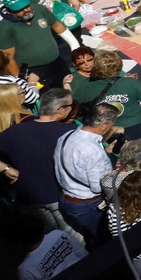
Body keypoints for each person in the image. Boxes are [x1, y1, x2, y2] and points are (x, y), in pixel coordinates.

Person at [0, 87, 78, 236]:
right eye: (22, 92)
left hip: (23, 187)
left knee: (48, 236)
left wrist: (6, 169)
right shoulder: (28, 120)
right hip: (51, 186)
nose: (25, 94)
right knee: (72, 234)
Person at [55, 102, 119, 246]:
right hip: (87, 206)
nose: (112, 126)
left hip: (67, 199)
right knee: (106, 242)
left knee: (92, 237)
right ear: (103, 125)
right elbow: (98, 187)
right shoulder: (93, 151)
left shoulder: (66, 136)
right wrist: (120, 173)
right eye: (112, 123)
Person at [0, 0, 69, 88]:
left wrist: (75, 45)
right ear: (9, 11)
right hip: (33, 71)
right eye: (19, 9)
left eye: (26, 6)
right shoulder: (4, 29)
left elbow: (57, 25)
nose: (26, 10)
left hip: (57, 62)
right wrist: (20, 81)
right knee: (47, 95)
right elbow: (9, 59)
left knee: (69, 87)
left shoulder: (40, 9)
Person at [71, 49, 141, 138]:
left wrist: (122, 80)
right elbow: (73, 102)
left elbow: (108, 83)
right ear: (75, 65)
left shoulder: (100, 71)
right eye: (81, 63)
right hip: (97, 124)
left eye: (90, 60)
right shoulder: (77, 82)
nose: (87, 64)